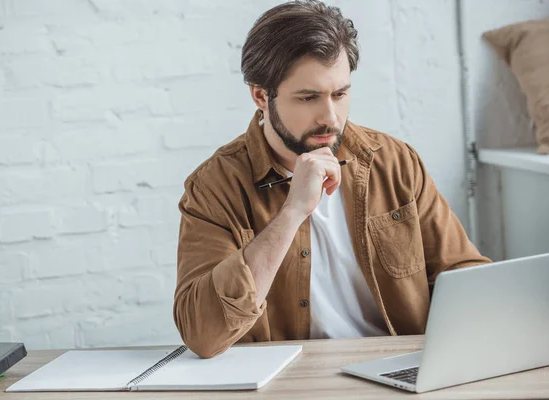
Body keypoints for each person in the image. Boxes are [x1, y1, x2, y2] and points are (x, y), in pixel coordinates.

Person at [173, 0, 491, 358]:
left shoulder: (394, 162)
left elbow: (463, 274)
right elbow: (202, 333)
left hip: (399, 368)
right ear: (261, 95)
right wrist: (292, 212)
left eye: (340, 94)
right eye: (308, 97)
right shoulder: (215, 187)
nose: (330, 117)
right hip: (289, 380)